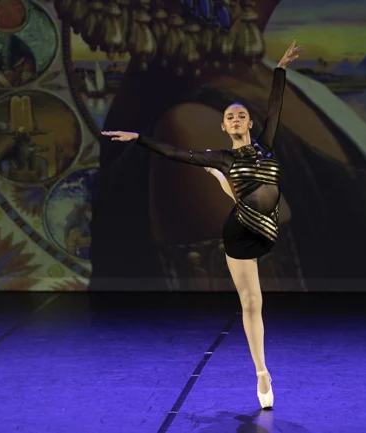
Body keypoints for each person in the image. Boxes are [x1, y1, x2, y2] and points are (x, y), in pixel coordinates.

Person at [101, 40, 304, 410]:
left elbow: (276, 107)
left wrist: (281, 70)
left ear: (250, 123)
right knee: (252, 303)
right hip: (241, 232)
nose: (237, 118)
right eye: (230, 116)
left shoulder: (266, 146)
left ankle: (227, 189)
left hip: (269, 229)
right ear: (225, 127)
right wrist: (140, 139)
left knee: (235, 195)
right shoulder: (222, 156)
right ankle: (262, 372)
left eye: (241, 114)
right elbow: (176, 154)